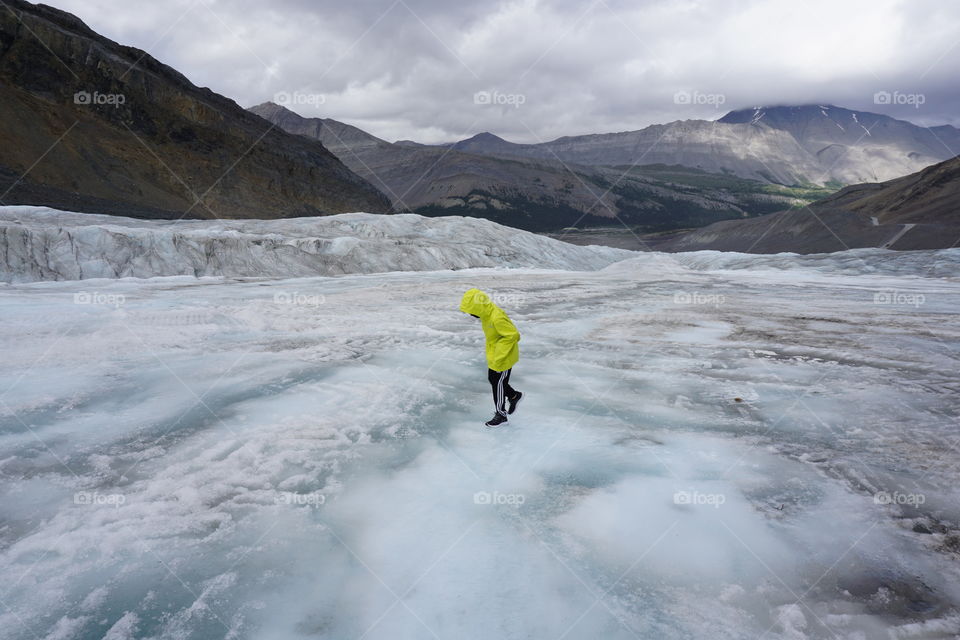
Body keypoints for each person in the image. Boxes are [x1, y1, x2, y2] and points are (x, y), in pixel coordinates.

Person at [459, 288, 522, 427]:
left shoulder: (496, 317)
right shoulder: (486, 313)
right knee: (493, 379)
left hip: (503, 356)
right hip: (495, 354)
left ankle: (501, 415)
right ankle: (513, 396)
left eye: (471, 310)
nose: (470, 314)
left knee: (498, 384)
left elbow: (513, 335)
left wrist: (499, 355)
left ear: (478, 307)